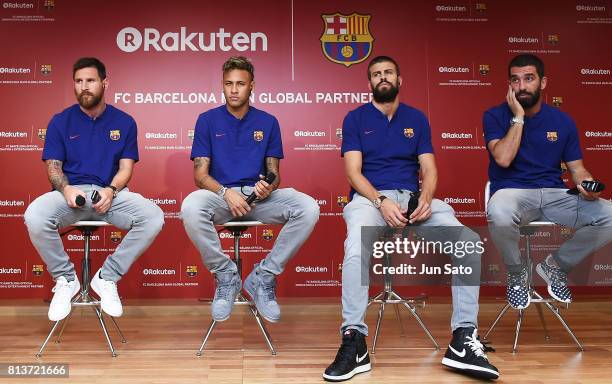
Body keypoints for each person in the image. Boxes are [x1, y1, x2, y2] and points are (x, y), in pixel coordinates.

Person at [323, 56, 499, 381]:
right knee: (355, 249)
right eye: (376, 74)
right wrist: (380, 201)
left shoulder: (416, 119)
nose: (382, 78)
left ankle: (463, 338)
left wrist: (427, 198)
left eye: (388, 72)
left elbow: (429, 168)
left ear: (399, 80)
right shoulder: (355, 118)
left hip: (413, 199)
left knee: (470, 243)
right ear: (369, 83)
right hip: (369, 199)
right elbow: (353, 172)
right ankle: (354, 340)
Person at [24, 57, 164, 321]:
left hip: (109, 195)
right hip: (70, 195)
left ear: (104, 83)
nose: (84, 87)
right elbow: (54, 168)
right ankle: (66, 280)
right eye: (78, 81)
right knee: (35, 215)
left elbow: (125, 169)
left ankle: (107, 277)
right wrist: (66, 190)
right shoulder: (60, 121)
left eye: (90, 80)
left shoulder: (124, 121)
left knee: (153, 216)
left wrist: (111, 190)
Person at [181, 56, 319, 324]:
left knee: (308, 207)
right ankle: (226, 276)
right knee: (190, 206)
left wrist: (268, 186)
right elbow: (200, 175)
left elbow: (275, 173)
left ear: (251, 86)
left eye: (240, 84)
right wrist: (225, 193)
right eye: (228, 84)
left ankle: (263, 276)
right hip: (221, 198)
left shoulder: (268, 121)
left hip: (257, 199)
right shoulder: (207, 120)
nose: (234, 90)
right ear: (222, 85)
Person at [484, 54, 612, 309]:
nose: (521, 86)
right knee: (498, 210)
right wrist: (518, 117)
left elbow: (577, 169)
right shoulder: (494, 115)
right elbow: (503, 158)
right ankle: (517, 272)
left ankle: (555, 266)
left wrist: (586, 184)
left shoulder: (562, 121)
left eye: (529, 79)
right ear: (509, 84)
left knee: (610, 215)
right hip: (513, 193)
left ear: (543, 83)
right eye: (515, 80)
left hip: (555, 193)